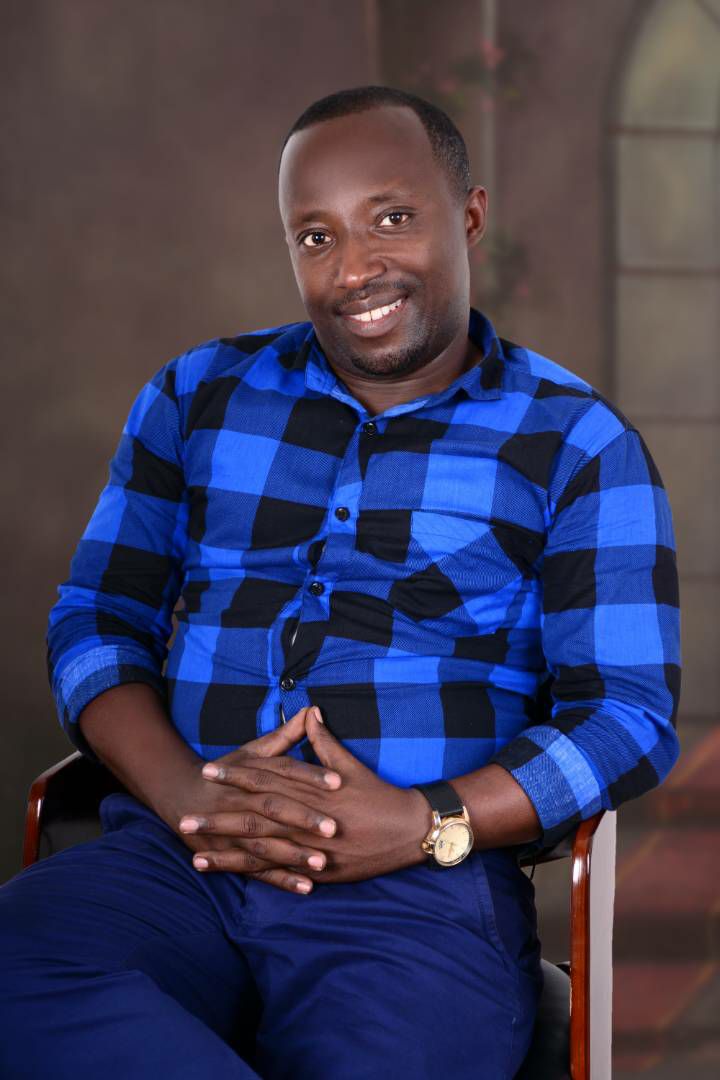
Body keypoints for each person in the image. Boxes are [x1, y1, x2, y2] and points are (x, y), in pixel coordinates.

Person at [0, 86, 680, 1079]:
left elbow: (627, 716)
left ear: (470, 216)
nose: (354, 269)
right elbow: (96, 620)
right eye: (315, 237)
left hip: (416, 898)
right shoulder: (197, 395)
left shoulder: (578, 443)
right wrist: (187, 794)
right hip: (177, 861)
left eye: (391, 219)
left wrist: (428, 821)